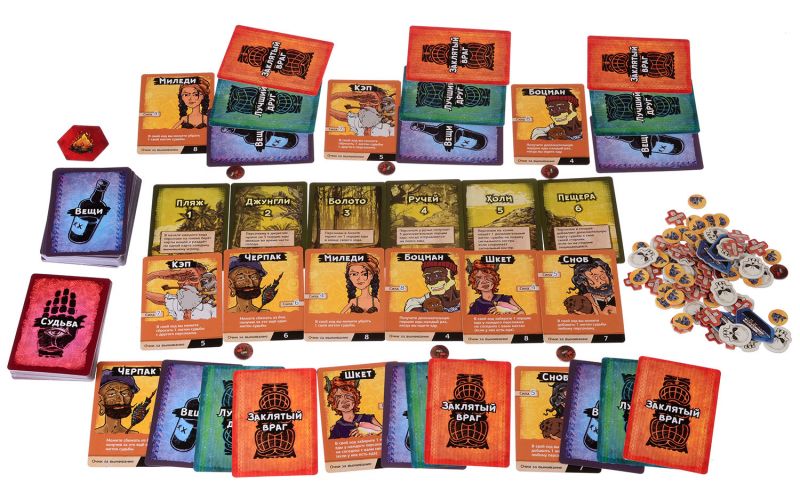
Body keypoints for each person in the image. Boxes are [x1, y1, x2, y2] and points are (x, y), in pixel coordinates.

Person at [145, 264, 217, 320]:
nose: (186, 283)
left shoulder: (212, 307)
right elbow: (143, 293)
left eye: (193, 279)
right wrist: (156, 275)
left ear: (203, 282)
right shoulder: (176, 302)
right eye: (182, 279)